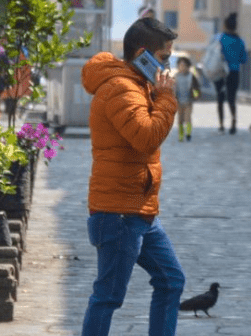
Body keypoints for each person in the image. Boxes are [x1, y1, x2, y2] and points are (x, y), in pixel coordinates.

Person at [80, 17, 185, 336]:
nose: (168, 67)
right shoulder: (121, 89)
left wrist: (158, 93)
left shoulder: (139, 84)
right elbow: (146, 137)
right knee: (108, 296)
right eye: (164, 58)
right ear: (143, 55)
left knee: (171, 280)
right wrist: (166, 98)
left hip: (139, 209)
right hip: (119, 213)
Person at [215, 13, 249, 134]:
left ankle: (221, 125)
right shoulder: (240, 41)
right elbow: (244, 59)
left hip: (220, 72)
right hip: (234, 72)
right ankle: (233, 122)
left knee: (220, 98)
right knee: (231, 98)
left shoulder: (219, 38)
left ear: (225, 25)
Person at [174, 56, 200, 142]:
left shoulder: (191, 76)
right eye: (180, 66)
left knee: (187, 118)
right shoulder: (176, 76)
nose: (182, 68)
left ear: (188, 67)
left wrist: (196, 95)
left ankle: (188, 133)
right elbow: (173, 88)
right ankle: (181, 135)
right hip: (179, 102)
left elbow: (196, 87)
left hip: (188, 101)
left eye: (184, 66)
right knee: (180, 120)